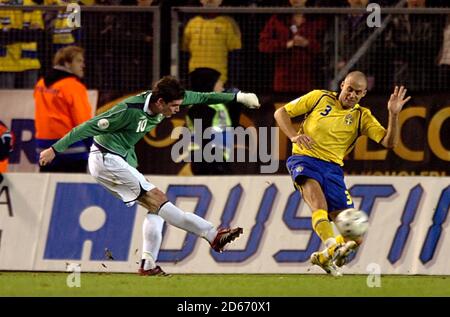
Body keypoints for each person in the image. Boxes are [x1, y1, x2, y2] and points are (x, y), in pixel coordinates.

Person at [39, 76, 260, 275]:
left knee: (157, 210)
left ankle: (148, 262)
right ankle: (212, 234)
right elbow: (86, 127)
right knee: (159, 200)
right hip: (106, 160)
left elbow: (205, 97)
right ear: (160, 102)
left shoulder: (170, 100)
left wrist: (238, 97)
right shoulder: (128, 110)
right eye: (173, 106)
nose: (177, 110)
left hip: (120, 159)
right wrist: (54, 150)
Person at [274, 71, 411, 276]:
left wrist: (393, 114)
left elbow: (389, 143)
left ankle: (323, 258)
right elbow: (280, 113)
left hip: (333, 171)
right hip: (305, 159)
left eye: (358, 92)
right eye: (349, 89)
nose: (352, 95)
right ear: (342, 86)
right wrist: (293, 136)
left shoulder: (361, 116)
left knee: (355, 236)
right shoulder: (319, 97)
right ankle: (330, 246)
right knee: (319, 205)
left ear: (364, 93)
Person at [34, 45, 93, 173]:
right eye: (78, 61)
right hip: (70, 151)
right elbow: (83, 122)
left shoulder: (41, 84)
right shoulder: (73, 86)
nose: (83, 65)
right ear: (67, 63)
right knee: (73, 192)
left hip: (43, 149)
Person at [186, 67, 233, 175]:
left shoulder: (213, 105)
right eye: (218, 81)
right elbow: (204, 137)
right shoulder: (201, 107)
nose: (222, 83)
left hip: (216, 160)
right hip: (209, 162)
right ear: (209, 85)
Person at [182, 0, 242, 84]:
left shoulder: (228, 23)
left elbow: (235, 53)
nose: (210, 1)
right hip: (195, 77)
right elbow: (185, 51)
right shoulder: (192, 23)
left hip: (219, 78)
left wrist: (233, 82)